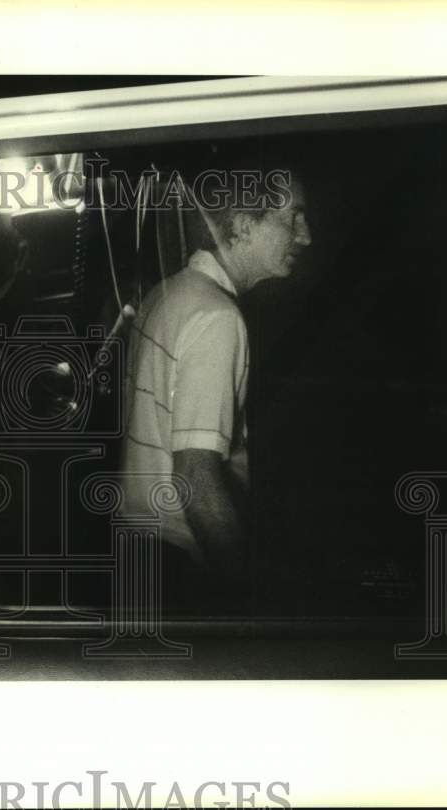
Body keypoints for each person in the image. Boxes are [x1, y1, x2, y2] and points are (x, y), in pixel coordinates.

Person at [120, 163, 312, 614]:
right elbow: (197, 480)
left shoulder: (169, 293)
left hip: (138, 550)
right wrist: (244, 595)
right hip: (180, 564)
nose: (306, 237)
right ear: (244, 227)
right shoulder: (217, 318)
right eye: (294, 218)